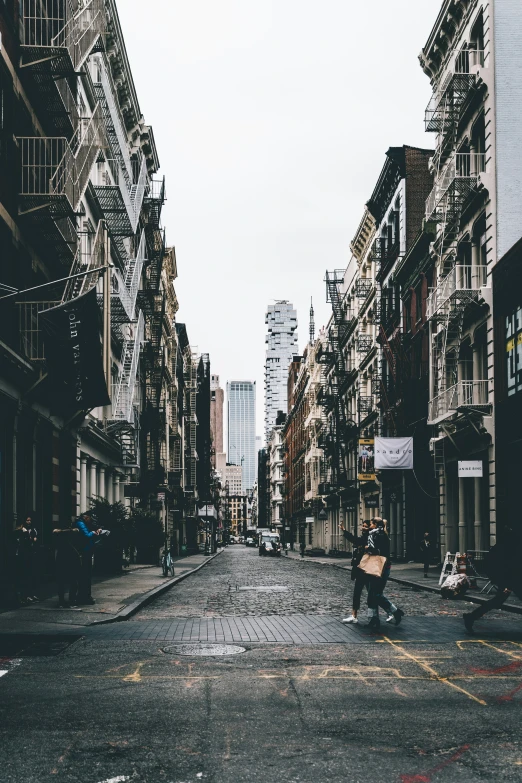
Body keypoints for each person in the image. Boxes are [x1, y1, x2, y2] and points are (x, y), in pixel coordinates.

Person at [463, 523, 522, 634]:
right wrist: (507, 584)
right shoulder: (512, 543)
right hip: (506, 575)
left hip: (508, 575)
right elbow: (511, 564)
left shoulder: (511, 541)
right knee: (498, 600)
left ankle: (471, 617)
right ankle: (470, 617)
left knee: (498, 600)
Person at [365, 517, 404, 630]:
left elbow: (380, 551)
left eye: (371, 524)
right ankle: (374, 619)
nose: (369, 525)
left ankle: (395, 611)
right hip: (376, 566)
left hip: (381, 567)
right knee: (372, 593)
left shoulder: (380, 535)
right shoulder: (375, 534)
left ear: (376, 525)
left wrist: (369, 549)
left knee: (376, 594)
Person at [339, 519, 370, 624]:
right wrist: (344, 530)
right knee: (357, 593)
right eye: (363, 525)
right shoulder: (364, 537)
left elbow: (355, 540)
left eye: (366, 526)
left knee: (374, 595)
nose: (363, 528)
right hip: (361, 569)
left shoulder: (369, 538)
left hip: (367, 569)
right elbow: (356, 540)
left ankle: (391, 611)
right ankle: (354, 615)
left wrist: (345, 531)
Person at [75, 511, 101, 605]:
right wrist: (93, 533)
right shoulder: (81, 523)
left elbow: (93, 527)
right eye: (90, 518)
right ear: (86, 517)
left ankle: (85, 596)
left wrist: (98, 530)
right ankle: (84, 596)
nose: (90, 520)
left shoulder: (84, 523)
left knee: (86, 575)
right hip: (84, 553)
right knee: (85, 575)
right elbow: (86, 535)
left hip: (87, 552)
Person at [53, 523, 81, 608]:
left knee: (62, 582)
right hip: (70, 561)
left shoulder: (59, 536)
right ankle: (71, 600)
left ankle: (62, 601)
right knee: (73, 582)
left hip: (62, 561)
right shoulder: (71, 535)